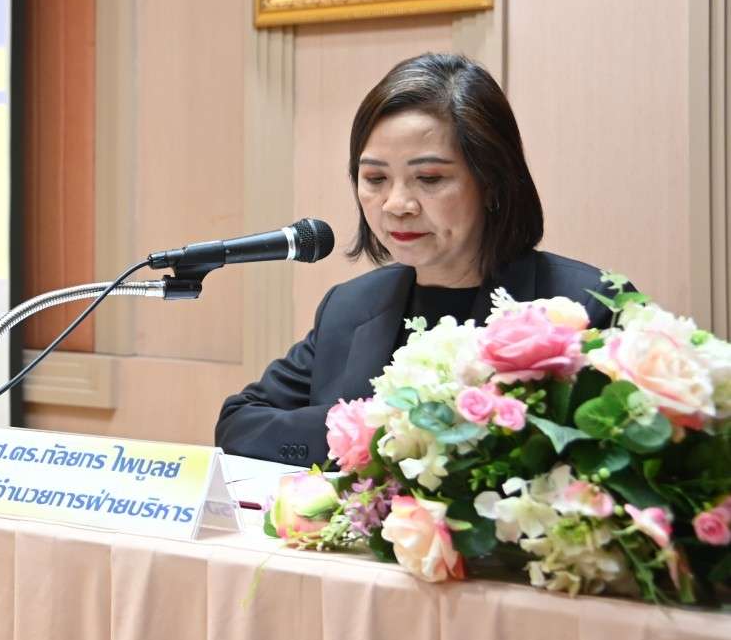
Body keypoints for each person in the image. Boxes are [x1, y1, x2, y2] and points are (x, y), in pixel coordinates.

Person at [215, 53, 618, 466]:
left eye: (429, 178)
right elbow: (240, 423)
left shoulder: (584, 306)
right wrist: (372, 431)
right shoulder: (349, 307)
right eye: (375, 179)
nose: (396, 204)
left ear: (492, 183)